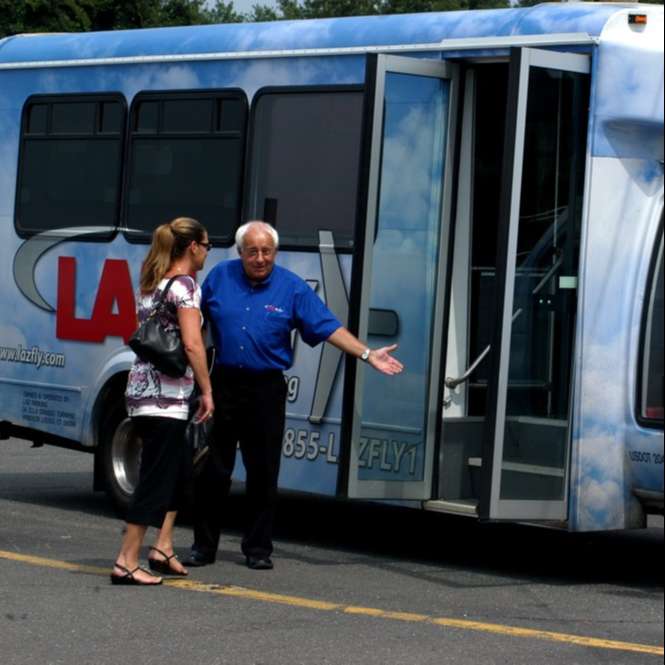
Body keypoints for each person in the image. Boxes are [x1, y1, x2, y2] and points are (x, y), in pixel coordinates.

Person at [185, 221, 402, 571]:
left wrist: (366, 354)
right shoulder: (219, 277)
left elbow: (328, 326)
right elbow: (191, 321)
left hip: (266, 388)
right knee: (214, 471)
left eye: (266, 251)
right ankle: (203, 547)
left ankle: (257, 549)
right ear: (240, 253)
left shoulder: (291, 287)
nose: (259, 258)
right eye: (252, 251)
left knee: (263, 472)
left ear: (276, 252)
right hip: (222, 384)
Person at [111, 217, 214, 586]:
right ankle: (126, 560)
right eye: (207, 245)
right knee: (154, 479)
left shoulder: (153, 282)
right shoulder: (185, 286)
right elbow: (191, 344)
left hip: (140, 393)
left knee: (180, 470)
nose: (207, 252)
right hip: (166, 399)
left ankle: (162, 547)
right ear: (192, 247)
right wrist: (206, 390)